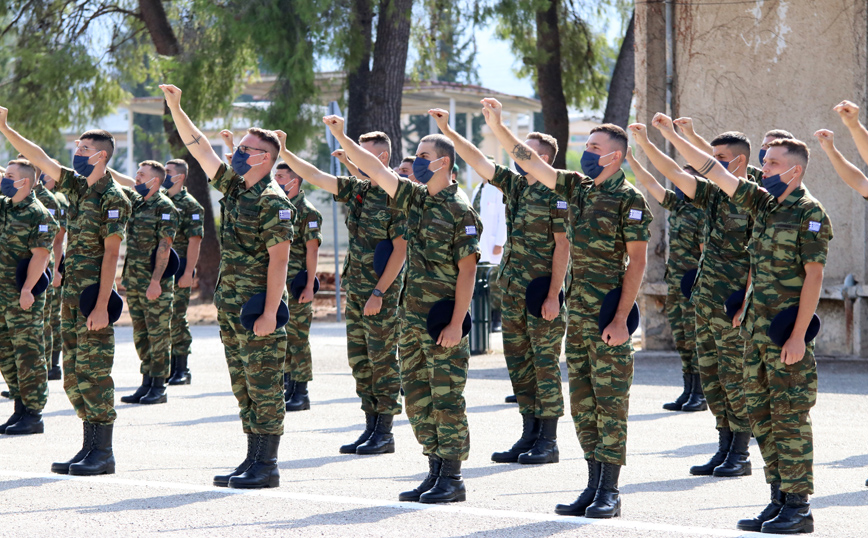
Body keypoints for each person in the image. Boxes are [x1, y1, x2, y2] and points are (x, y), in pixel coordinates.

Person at [657, 112, 830, 535]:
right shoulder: (762, 202)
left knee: (789, 420)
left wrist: (796, 337)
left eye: (771, 164)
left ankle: (800, 507)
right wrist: (669, 135)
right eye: (764, 162)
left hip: (784, 334)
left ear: (796, 169)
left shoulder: (809, 213)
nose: (764, 169)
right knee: (764, 417)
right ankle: (778, 500)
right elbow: (713, 170)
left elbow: (815, 277)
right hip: (754, 331)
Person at [483, 98, 651, 519]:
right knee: (583, 404)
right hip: (578, 318)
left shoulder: (628, 200)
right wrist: (499, 128)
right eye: (587, 147)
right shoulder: (578, 188)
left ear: (615, 155)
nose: (588, 153)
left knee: (610, 404)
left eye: (595, 148)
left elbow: (638, 262)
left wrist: (618, 319)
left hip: (607, 317)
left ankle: (610, 491)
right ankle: (592, 486)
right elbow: (532, 163)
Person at [324, 114, 480, 504]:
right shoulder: (413, 197)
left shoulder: (460, 210)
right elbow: (376, 168)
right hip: (411, 320)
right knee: (417, 398)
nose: (417, 160)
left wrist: (458, 322)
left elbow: (468, 272)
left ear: (443, 162)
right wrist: (342, 136)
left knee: (446, 399)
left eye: (424, 155)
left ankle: (453, 477)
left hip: (442, 320)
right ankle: (434, 471)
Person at [161, 84, 294, 489]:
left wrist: (271, 312)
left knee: (265, 384)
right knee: (243, 384)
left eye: (247, 148)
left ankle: (267, 466)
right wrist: (176, 107)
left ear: (265, 159)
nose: (237, 152)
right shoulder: (236, 188)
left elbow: (280, 261)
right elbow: (200, 147)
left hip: (258, 306)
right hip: (233, 304)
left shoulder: (274, 202)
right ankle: (252, 457)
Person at [431, 108, 567, 465]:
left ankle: (548, 441)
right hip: (513, 291)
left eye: (525, 149)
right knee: (520, 365)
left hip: (541, 294)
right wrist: (448, 130)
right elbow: (479, 160)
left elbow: (564, 248)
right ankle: (529, 434)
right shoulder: (516, 185)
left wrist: (554, 294)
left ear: (543, 158)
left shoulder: (558, 192)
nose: (517, 153)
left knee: (544, 366)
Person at [0, 113, 132, 475]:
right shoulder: (77, 187)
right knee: (73, 375)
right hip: (72, 295)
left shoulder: (113, 197)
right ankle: (88, 447)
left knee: (94, 372)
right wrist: (7, 130)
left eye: (84, 148)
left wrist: (103, 303)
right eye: (76, 146)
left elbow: (111, 254)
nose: (77, 151)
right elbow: (41, 158)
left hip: (93, 296)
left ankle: (103, 453)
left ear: (101, 156)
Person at [636, 120, 755, 479]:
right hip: (705, 300)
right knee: (714, 378)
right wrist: (645, 142)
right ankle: (723, 448)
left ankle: (741, 454)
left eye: (719, 158)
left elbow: (757, 258)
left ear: (738, 162)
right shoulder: (710, 194)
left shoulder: (755, 196)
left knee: (735, 379)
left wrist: (746, 304)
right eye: (710, 157)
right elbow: (672, 170)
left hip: (732, 304)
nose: (710, 162)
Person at [276, 131, 407, 455]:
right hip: (358, 289)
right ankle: (370, 426)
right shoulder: (358, 189)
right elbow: (315, 176)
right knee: (360, 361)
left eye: (363, 154)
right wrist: (285, 150)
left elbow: (400, 251)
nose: (356, 158)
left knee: (383, 362)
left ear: (383, 159)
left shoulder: (399, 196)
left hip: (381, 294)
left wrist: (379, 292)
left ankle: (386, 432)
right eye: (354, 153)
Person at [625, 144, 707, 412]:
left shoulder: (703, 211)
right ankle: (688, 388)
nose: (679, 185)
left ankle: (701, 393)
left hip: (695, 284)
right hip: (676, 282)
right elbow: (650, 182)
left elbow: (706, 254)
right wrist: (632, 160)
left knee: (696, 339)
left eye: (686, 180)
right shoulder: (679, 205)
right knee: (681, 337)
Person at [111, 162, 180, 405]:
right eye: (137, 174)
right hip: (135, 280)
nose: (137, 178)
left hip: (155, 284)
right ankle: (147, 382)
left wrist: (155, 282)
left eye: (142, 175)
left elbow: (165, 247)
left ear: (155, 181)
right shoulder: (138, 201)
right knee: (141, 334)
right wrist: (101, 164)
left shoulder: (165, 207)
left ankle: (159, 387)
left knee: (158, 334)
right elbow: (118, 180)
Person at [0, 159, 58, 435]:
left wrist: (26, 290)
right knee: (6, 353)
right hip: (2, 296)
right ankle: (20, 407)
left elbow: (41, 255)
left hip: (23, 297)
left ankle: (33, 414)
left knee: (28, 354)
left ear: (24, 181)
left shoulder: (39, 214)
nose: (4, 178)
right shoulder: (4, 206)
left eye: (8, 175)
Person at [273, 162, 322, 412]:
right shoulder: (279, 206)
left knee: (298, 339)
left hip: (297, 285)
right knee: (284, 337)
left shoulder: (307, 211)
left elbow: (312, 251)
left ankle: (301, 393)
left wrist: (310, 286)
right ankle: (289, 388)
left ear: (295, 181)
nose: (276, 179)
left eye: (280, 176)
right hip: (279, 285)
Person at [163, 159, 204, 386]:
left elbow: (195, 241)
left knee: (177, 317)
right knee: (164, 318)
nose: (164, 174)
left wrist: (189, 272)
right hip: (161, 266)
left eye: (168, 172)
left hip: (180, 265)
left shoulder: (191, 205)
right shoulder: (160, 200)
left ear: (179, 177)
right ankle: (168, 366)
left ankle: (182, 368)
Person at [469, 156, 507, 335]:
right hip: (479, 245)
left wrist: (499, 242)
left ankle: (496, 317)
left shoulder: (498, 190)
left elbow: (503, 219)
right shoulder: (478, 188)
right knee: (481, 283)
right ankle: (483, 317)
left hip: (493, 245)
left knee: (494, 283)